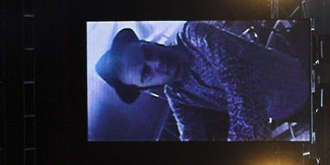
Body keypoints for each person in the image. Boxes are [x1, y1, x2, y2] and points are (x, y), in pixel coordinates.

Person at [94, 21, 309, 141]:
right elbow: (190, 133)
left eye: (147, 52)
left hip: (305, 76)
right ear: (145, 88)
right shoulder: (176, 96)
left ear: (147, 42)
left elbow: (237, 76)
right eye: (146, 73)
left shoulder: (193, 34)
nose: (157, 62)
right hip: (291, 113)